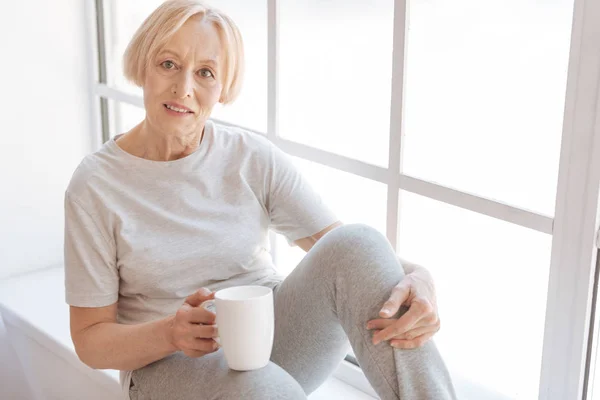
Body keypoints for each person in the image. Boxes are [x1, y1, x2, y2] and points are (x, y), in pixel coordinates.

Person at [64, 1, 456, 399]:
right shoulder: (96, 185)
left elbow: (343, 254)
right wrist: (170, 333)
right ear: (143, 64)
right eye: (168, 64)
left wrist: (419, 274)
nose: (183, 88)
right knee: (261, 389)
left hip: (269, 337)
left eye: (205, 73)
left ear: (222, 87)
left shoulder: (249, 157)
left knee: (359, 241)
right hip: (167, 364)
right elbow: (90, 341)